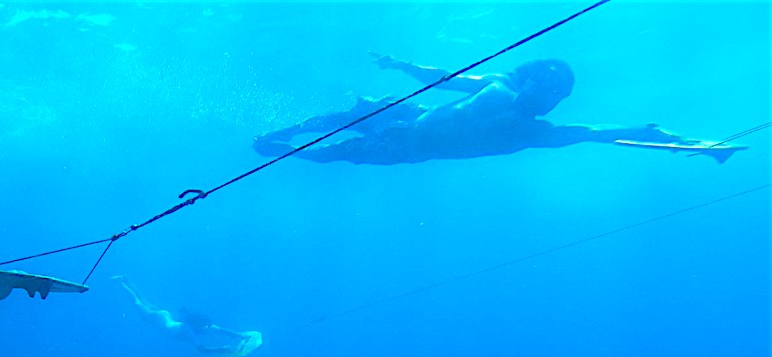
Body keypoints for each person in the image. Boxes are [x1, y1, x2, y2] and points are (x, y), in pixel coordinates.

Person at [253, 54, 744, 165]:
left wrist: (699, 144)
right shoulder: (497, 86)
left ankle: (277, 152)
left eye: (553, 96)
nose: (547, 99)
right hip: (411, 119)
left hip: (410, 147)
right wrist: (400, 64)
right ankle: (277, 136)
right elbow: (442, 79)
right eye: (545, 89)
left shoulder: (536, 131)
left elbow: (615, 131)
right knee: (358, 113)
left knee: (332, 155)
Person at [113, 276, 263, 357]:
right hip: (159, 320)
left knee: (143, 301)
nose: (208, 328)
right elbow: (202, 349)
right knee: (139, 302)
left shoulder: (196, 327)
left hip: (165, 319)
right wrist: (221, 349)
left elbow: (213, 333)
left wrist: (235, 339)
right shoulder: (189, 332)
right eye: (205, 327)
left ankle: (125, 280)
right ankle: (122, 282)